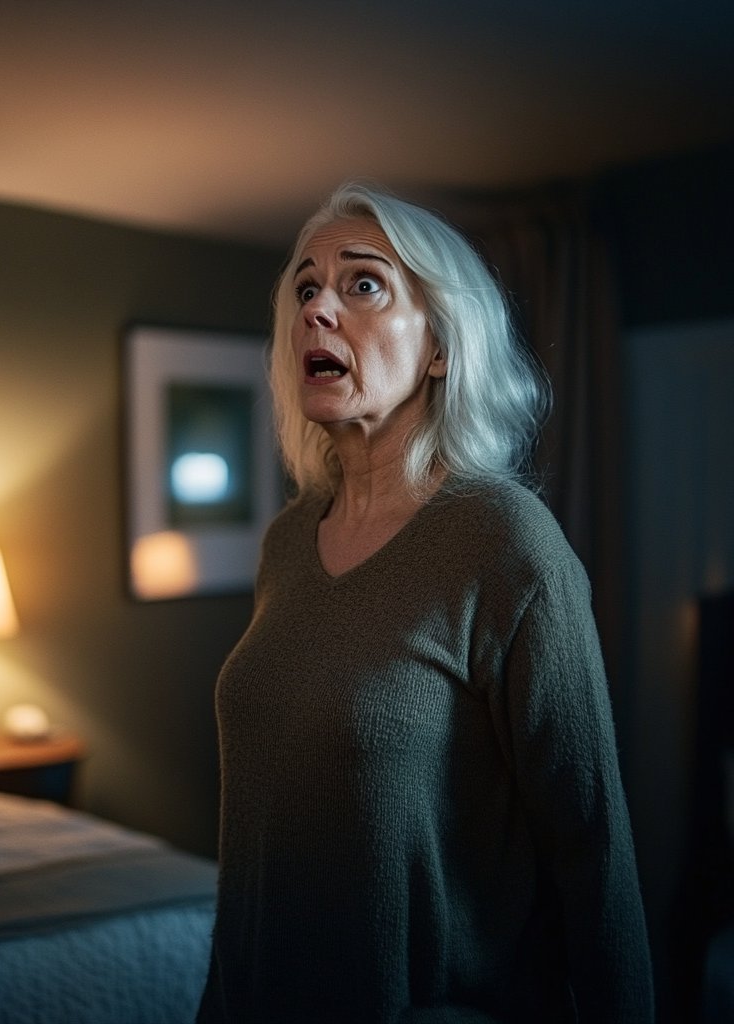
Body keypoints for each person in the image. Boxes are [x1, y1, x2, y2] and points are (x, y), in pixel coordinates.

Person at [196, 181, 654, 1023]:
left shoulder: (506, 542)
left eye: (361, 283)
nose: (317, 310)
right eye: (305, 288)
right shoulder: (288, 542)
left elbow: (592, 851)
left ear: (440, 344)